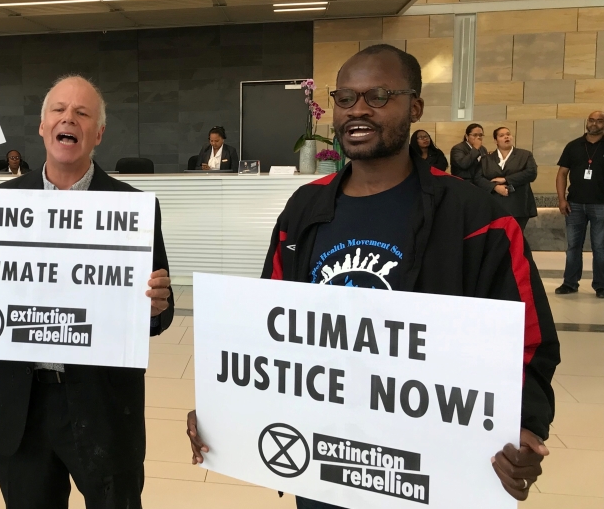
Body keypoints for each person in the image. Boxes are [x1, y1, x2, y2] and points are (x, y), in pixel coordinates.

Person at [185, 44, 558, 508]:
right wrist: (225, 405)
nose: (357, 110)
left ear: (415, 107)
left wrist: (524, 425)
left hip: (429, 469)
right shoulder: (305, 208)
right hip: (326, 463)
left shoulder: (475, 215)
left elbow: (529, 339)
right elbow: (268, 331)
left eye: (378, 95)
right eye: (345, 98)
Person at [0, 75, 175, 509]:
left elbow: (158, 316)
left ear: (98, 133)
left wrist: (158, 303)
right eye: (58, 110)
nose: (69, 118)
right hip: (19, 408)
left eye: (82, 113)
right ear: (43, 126)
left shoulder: (132, 208)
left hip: (101, 408)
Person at [555, 111, 604, 298]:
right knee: (573, 246)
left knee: (600, 247)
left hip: (601, 205)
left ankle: (601, 286)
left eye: (600, 121)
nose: (595, 124)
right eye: (592, 120)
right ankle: (570, 283)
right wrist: (561, 199)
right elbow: (561, 174)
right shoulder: (573, 146)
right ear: (587, 122)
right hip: (574, 204)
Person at [475, 127, 538, 230]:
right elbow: (478, 178)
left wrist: (506, 179)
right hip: (495, 206)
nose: (506, 137)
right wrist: (495, 187)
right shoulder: (486, 159)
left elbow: (531, 173)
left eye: (508, 134)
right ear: (496, 141)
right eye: (502, 135)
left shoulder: (525, 155)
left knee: (515, 240)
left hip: (518, 205)